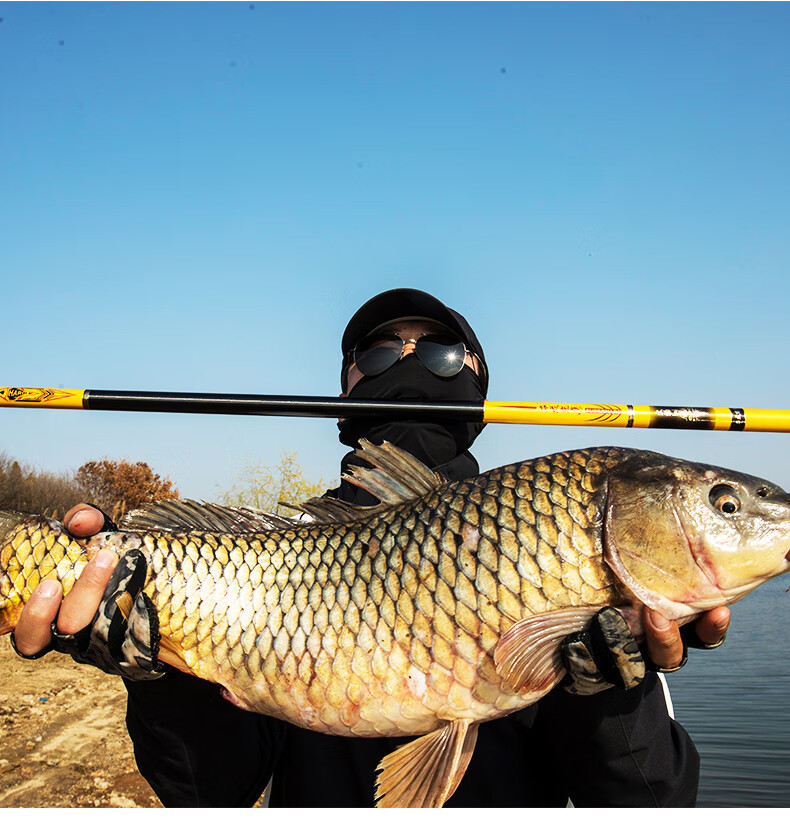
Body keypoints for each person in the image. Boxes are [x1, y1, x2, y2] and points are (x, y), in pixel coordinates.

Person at [12, 288, 730, 807]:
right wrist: (159, 681)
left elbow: (653, 801)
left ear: (478, 380)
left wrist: (608, 700)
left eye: (444, 352)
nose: (411, 362)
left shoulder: (567, 567)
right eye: (382, 351)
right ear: (346, 384)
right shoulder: (293, 540)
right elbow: (210, 793)